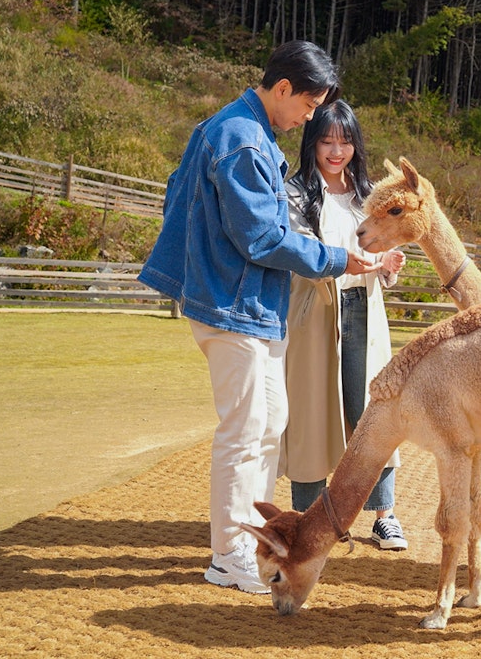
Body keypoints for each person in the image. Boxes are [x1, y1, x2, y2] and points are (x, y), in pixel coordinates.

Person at [138, 41, 379, 595]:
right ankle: (229, 555)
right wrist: (338, 258)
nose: (311, 118)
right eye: (310, 104)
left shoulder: (237, 131)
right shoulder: (241, 139)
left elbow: (182, 198)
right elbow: (263, 237)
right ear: (283, 88)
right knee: (246, 435)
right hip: (234, 304)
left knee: (267, 427)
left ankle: (255, 543)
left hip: (250, 305)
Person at [281, 99, 409, 551]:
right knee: (312, 413)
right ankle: (311, 518)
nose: (337, 151)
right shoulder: (294, 192)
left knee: (374, 413)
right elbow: (300, 253)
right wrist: (367, 262)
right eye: (327, 141)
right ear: (311, 143)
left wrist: (389, 263)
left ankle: (384, 514)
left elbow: (384, 250)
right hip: (315, 312)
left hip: (364, 309)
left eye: (345, 141)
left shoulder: (369, 194)